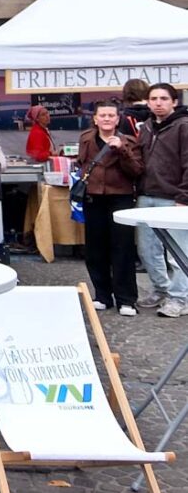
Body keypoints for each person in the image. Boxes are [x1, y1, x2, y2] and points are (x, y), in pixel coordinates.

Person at [77, 102, 143, 315]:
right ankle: (102, 295)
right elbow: (82, 163)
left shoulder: (129, 141)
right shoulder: (86, 138)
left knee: (122, 249)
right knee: (95, 249)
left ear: (117, 119)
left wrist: (122, 150)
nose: (106, 119)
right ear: (95, 119)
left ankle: (126, 299)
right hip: (94, 197)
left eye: (111, 115)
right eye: (102, 115)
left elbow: (136, 170)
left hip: (120, 198)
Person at [136, 83, 188, 317]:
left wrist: (184, 196)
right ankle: (161, 289)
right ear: (147, 102)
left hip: (173, 198)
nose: (158, 102)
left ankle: (180, 298)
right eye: (153, 98)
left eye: (164, 98)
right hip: (147, 196)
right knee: (148, 250)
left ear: (174, 102)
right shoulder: (146, 127)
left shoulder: (183, 126)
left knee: (177, 254)